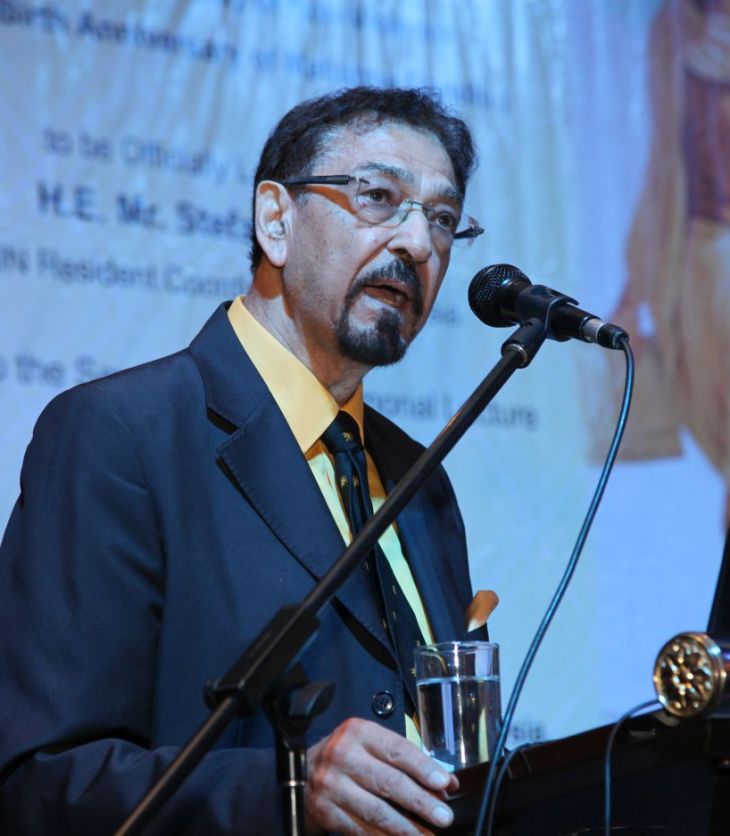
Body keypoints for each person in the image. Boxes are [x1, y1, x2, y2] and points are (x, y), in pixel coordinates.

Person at [0, 87, 485, 835]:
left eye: (443, 219)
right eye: (379, 197)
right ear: (275, 220)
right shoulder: (119, 437)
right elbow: (39, 782)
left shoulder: (422, 479)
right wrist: (289, 795)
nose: (418, 244)